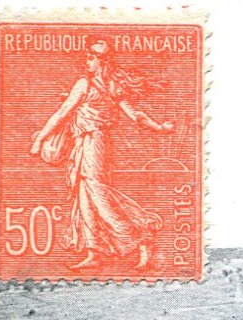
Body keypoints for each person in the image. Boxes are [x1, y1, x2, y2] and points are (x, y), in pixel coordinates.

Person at [27, 40, 173, 271]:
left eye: (90, 58)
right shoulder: (113, 85)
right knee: (85, 197)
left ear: (100, 60)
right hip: (89, 143)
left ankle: (141, 237)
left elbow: (63, 113)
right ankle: (94, 251)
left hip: (93, 142)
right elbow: (136, 115)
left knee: (97, 194)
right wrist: (159, 127)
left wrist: (39, 139)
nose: (87, 62)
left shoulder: (86, 84)